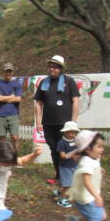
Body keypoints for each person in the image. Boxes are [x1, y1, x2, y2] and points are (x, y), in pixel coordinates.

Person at [65, 130, 110, 221]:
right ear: (87, 148)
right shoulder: (85, 162)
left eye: (102, 146)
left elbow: (95, 166)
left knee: (102, 216)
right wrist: (97, 196)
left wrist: (100, 169)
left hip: (91, 195)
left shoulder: (94, 158)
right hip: (86, 197)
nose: (102, 149)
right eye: (99, 146)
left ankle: (74, 220)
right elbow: (86, 181)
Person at [33, 55, 80, 186]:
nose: (52, 69)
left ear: (60, 69)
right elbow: (38, 102)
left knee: (66, 150)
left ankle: (70, 176)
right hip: (48, 123)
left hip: (65, 124)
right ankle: (59, 175)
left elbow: (75, 100)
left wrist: (73, 121)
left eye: (55, 67)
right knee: (54, 149)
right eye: (50, 67)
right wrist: (38, 121)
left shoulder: (69, 81)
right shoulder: (44, 83)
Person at [0, 62, 23, 153]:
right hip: (1, 115)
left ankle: (15, 158)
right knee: (2, 138)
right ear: (4, 72)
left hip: (13, 114)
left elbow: (18, 98)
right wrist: (11, 97)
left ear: (13, 72)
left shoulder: (17, 84)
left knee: (15, 137)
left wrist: (4, 98)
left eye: (10, 71)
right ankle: (3, 158)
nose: (8, 73)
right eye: (7, 71)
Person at [56, 121, 79, 208]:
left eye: (74, 133)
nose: (73, 135)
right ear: (65, 132)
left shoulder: (76, 141)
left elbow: (78, 150)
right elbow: (63, 156)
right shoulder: (61, 142)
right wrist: (72, 156)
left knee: (73, 182)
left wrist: (77, 155)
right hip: (65, 167)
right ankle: (62, 200)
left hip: (74, 165)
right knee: (67, 184)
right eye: (70, 132)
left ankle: (60, 191)